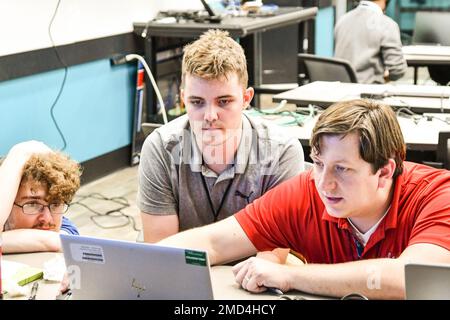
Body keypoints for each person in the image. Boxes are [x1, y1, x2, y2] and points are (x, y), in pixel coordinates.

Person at [159, 99, 450, 300]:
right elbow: (214, 242)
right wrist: (135, 266)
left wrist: (290, 276)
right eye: (319, 164)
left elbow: (406, 279)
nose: (324, 184)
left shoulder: (438, 195)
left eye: (342, 169)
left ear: (384, 171)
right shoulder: (306, 192)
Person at [138, 29, 304, 242]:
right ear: (183, 99)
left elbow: (273, 254)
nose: (210, 116)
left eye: (224, 101)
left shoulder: (281, 151)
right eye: (197, 102)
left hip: (250, 273)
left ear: (246, 98)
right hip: (184, 271)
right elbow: (163, 253)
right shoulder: (161, 148)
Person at [0, 141, 81, 253]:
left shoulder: (66, 228)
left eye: (56, 204)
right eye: (33, 204)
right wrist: (18, 154)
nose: (47, 219)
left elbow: (53, 242)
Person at [334, 0, 407, 84]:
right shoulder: (387, 24)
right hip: (368, 93)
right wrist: (384, 78)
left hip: (341, 91)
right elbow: (397, 70)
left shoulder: (342, 21)